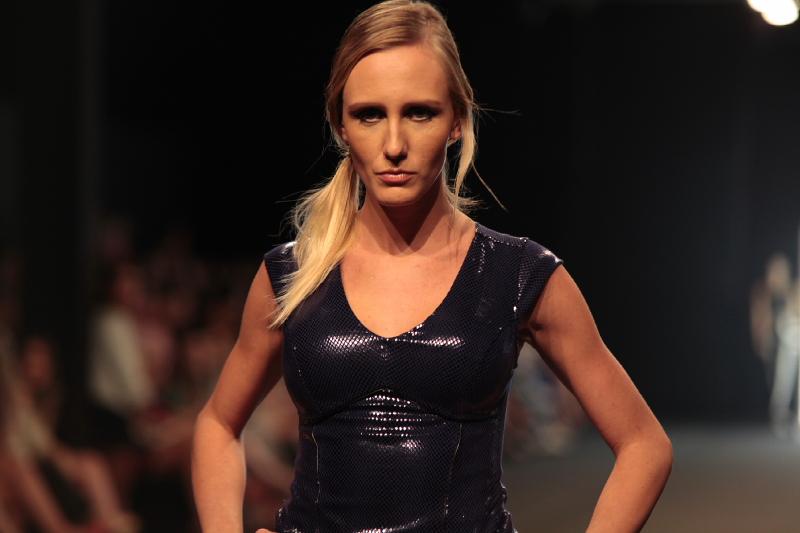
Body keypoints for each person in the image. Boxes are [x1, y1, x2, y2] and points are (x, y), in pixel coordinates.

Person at [191, 1, 673, 532]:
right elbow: (218, 423)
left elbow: (643, 444)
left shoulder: (517, 276)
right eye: (369, 115)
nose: (394, 145)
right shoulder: (291, 276)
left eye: (420, 113)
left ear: (457, 122)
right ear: (341, 126)